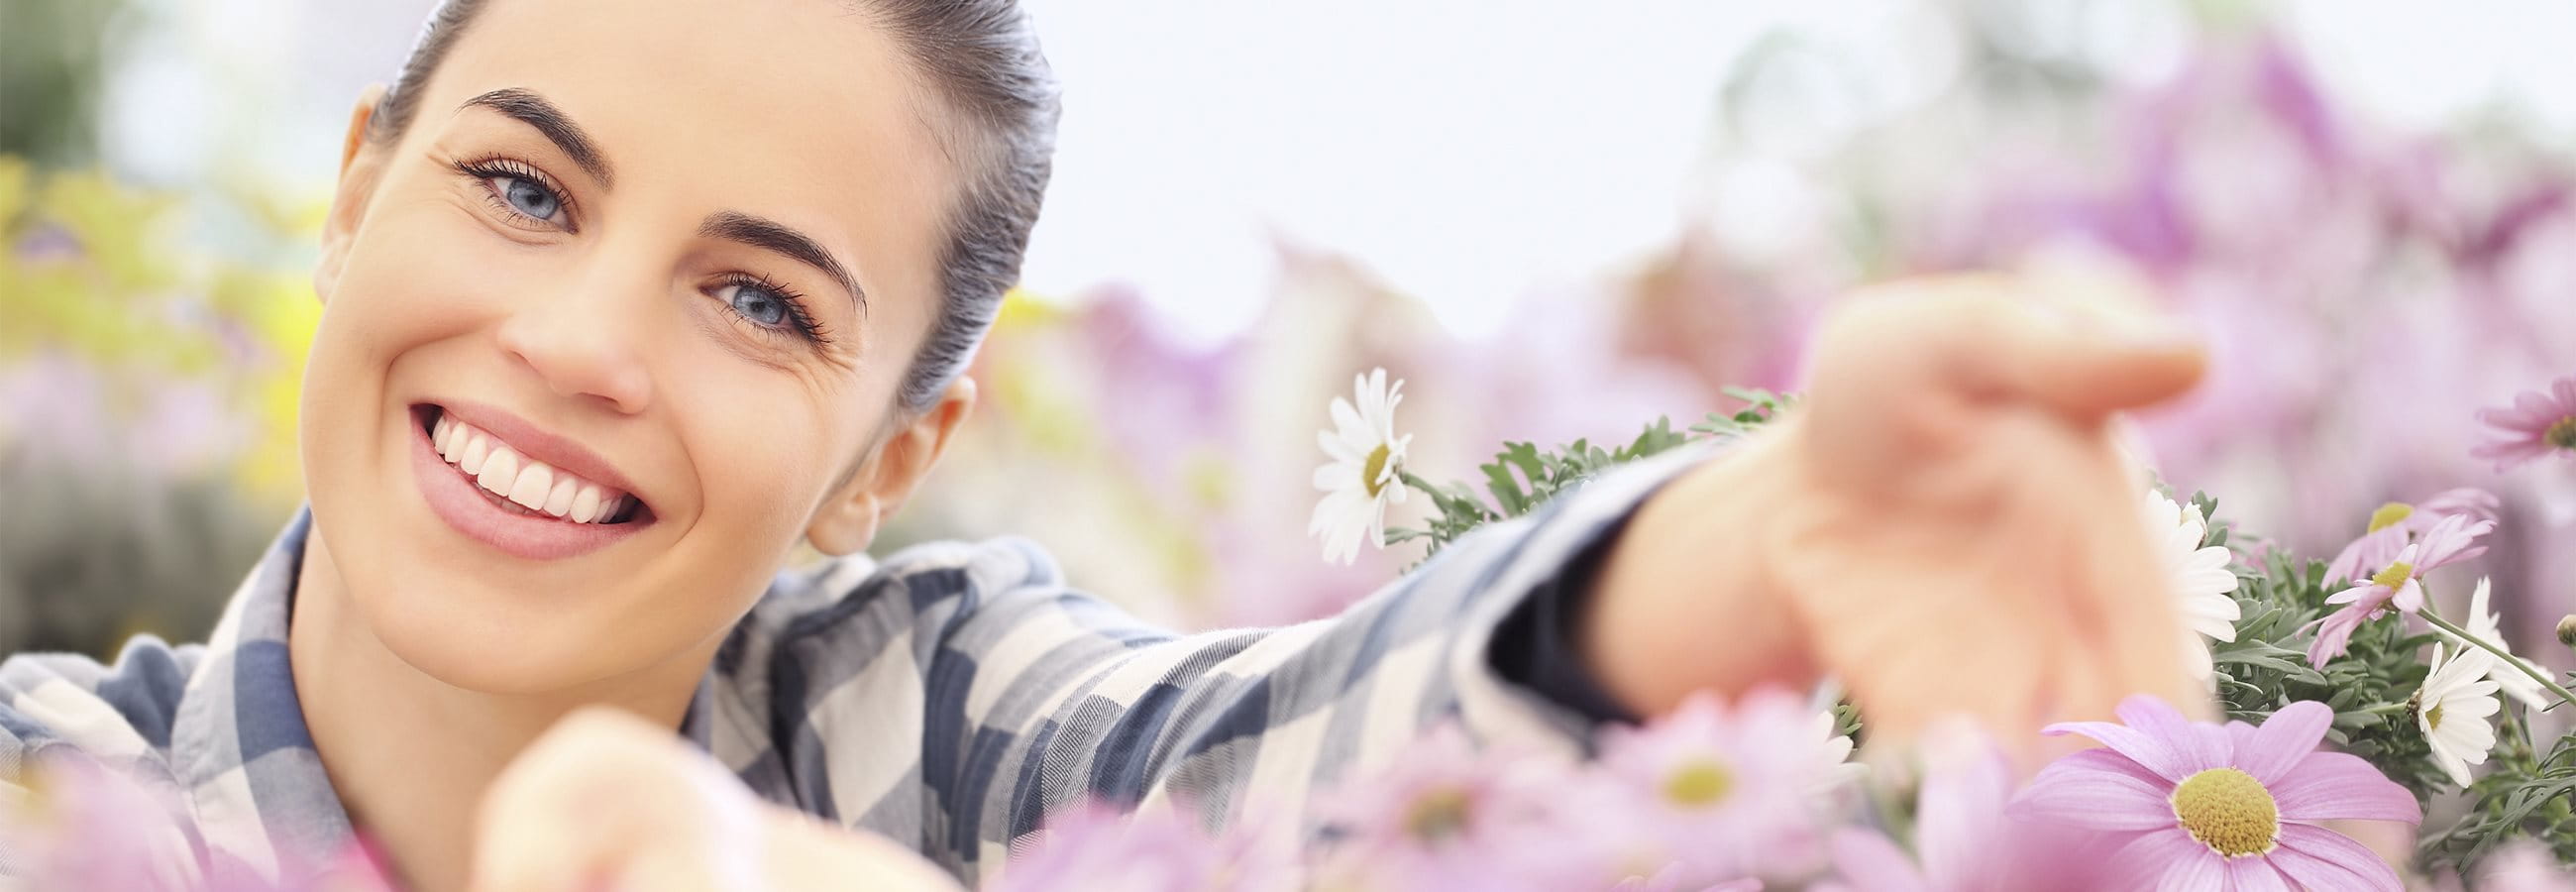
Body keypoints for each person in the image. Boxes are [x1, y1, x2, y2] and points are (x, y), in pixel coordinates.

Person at [0, 0, 2213, 889]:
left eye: (759, 300)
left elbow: (1288, 761)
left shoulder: (932, 721)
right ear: (356, 187)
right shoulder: (51, 804)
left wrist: (1764, 535)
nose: (578, 342)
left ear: (890, 458)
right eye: (516, 185)